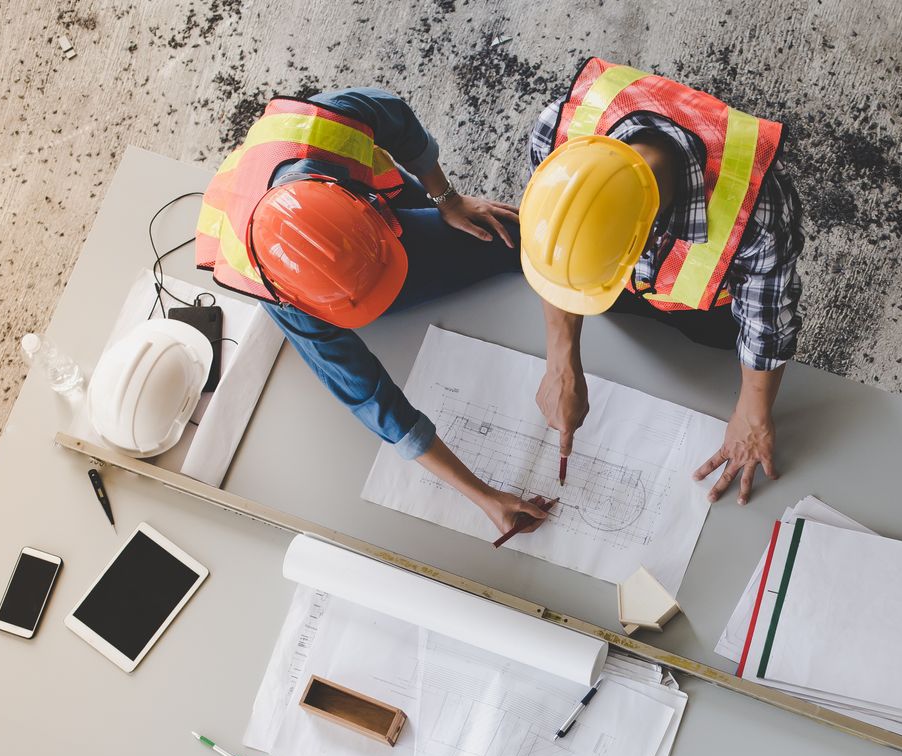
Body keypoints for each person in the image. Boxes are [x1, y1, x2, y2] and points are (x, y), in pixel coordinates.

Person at [196, 89, 552, 536]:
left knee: (519, 240)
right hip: (313, 223)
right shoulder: (282, 293)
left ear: (360, 205)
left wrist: (446, 200)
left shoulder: (326, 124)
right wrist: (484, 496)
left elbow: (400, 124)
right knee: (511, 243)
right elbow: (373, 399)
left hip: (364, 196)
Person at [519, 59, 803, 505]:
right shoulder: (559, 133)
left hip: (707, 308)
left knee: (707, 346)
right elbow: (559, 251)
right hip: (618, 292)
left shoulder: (756, 213)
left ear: (647, 240)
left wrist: (753, 414)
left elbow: (767, 322)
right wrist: (560, 362)